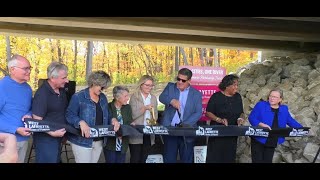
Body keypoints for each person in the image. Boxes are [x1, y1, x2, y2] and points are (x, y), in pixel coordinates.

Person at [66, 70, 120, 163]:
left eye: (104, 87)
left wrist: (113, 120)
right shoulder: (78, 97)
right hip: (82, 141)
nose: (103, 89)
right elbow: (69, 115)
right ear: (94, 83)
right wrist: (80, 122)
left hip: (99, 141)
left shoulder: (103, 97)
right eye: (101, 86)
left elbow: (108, 114)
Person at [159, 68, 202, 163]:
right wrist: (171, 101)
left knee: (187, 159)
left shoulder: (196, 94)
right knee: (169, 159)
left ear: (189, 81)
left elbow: (198, 112)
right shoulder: (170, 87)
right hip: (170, 129)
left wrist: (184, 124)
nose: (179, 82)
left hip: (186, 131)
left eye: (183, 80)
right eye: (178, 79)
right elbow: (162, 97)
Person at [249, 88, 302, 163]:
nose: (272, 98)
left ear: (280, 99)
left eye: (275, 97)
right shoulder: (261, 105)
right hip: (258, 138)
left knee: (267, 161)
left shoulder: (284, 109)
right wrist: (261, 124)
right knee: (257, 161)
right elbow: (251, 117)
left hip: (273, 139)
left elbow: (290, 121)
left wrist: (303, 129)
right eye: (271, 96)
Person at [31, 62, 69, 163]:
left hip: (58, 136)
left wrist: (64, 134)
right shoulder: (42, 94)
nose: (67, 80)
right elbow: (37, 121)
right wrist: (52, 133)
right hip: (46, 139)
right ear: (52, 78)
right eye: (64, 78)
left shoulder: (62, 91)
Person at [205, 74, 245, 163]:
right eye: (234, 85)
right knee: (215, 157)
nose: (236, 87)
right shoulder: (216, 96)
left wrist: (240, 118)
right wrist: (218, 119)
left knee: (229, 157)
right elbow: (208, 112)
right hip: (217, 132)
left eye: (237, 85)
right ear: (227, 86)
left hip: (232, 133)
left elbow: (241, 112)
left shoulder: (238, 97)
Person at [0, 54, 32, 163]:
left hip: (24, 140)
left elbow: (30, 108)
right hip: (5, 142)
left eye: (29, 68)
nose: (29, 71)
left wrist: (29, 114)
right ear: (12, 70)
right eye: (25, 68)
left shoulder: (27, 88)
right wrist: (15, 129)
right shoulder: (2, 87)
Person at [129, 75, 158, 163]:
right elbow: (132, 115)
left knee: (144, 159)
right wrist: (144, 108)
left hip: (148, 132)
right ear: (141, 85)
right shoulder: (134, 97)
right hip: (136, 132)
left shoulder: (153, 98)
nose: (149, 87)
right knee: (135, 159)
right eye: (147, 85)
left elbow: (155, 115)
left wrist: (154, 121)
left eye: (151, 85)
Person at [104, 86, 132, 163]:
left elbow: (129, 122)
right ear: (117, 97)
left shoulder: (128, 107)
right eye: (125, 96)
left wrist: (131, 124)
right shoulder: (108, 107)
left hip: (123, 143)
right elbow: (105, 123)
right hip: (110, 144)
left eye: (128, 95)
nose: (128, 98)